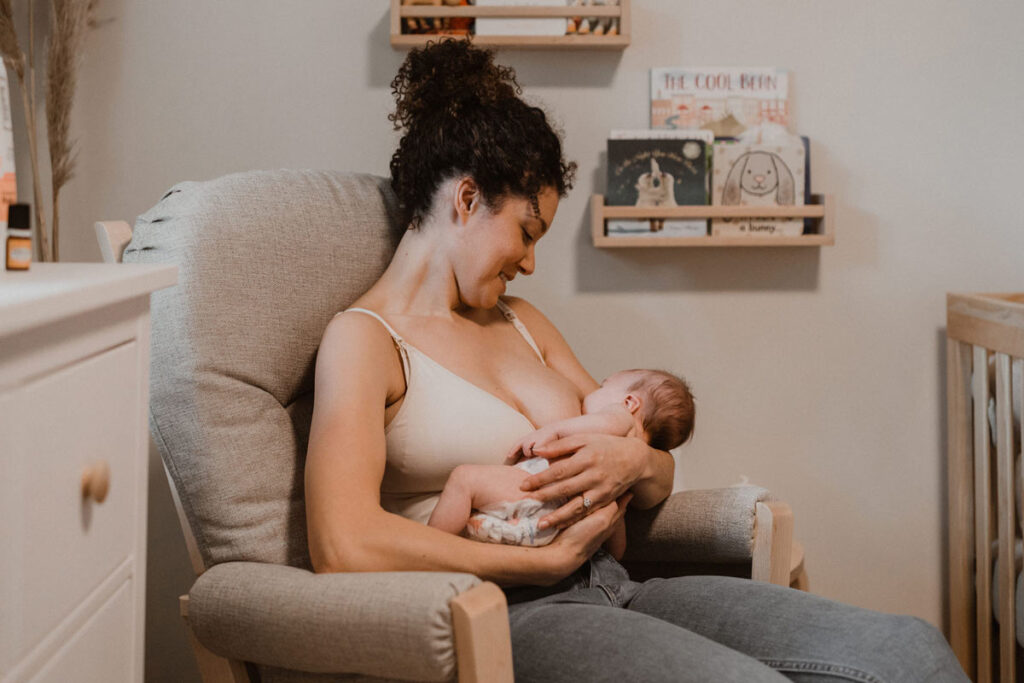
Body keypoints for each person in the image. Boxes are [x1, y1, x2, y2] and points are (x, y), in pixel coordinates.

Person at [304, 39, 968, 682]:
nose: (530, 262)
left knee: (907, 647)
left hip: (614, 584)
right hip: (504, 614)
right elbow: (342, 545)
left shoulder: (524, 322)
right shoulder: (365, 340)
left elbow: (653, 471)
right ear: (468, 199)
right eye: (527, 232)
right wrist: (529, 566)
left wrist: (636, 460)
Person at [426, 369, 694, 557]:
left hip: (542, 492)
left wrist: (551, 433)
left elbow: (599, 422)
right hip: (563, 527)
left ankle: (433, 554)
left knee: (464, 479)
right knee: (615, 512)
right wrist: (613, 554)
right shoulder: (621, 477)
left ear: (629, 402)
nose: (592, 391)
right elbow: (614, 532)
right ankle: (492, 531)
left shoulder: (619, 416)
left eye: (603, 386)